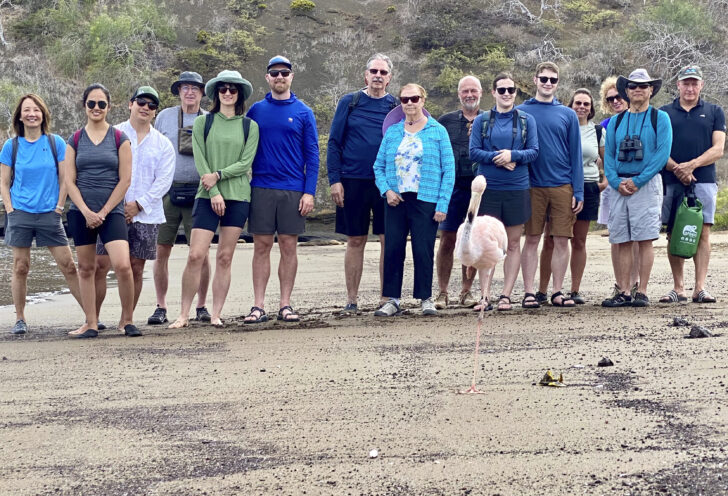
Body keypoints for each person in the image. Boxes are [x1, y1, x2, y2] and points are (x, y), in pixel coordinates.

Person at [168, 70, 259, 328]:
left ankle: (216, 313)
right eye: (223, 89)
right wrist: (214, 190)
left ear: (239, 94)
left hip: (239, 196)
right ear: (216, 93)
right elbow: (200, 159)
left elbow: (245, 163)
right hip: (207, 195)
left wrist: (218, 176)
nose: (228, 93)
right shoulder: (202, 123)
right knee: (196, 255)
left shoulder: (249, 126)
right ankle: (184, 314)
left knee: (225, 257)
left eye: (232, 89)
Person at [244, 55, 319, 324]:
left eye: (284, 73)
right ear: (267, 77)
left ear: (291, 76)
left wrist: (309, 192)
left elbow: (313, 155)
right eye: (274, 73)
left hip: (293, 190)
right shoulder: (255, 111)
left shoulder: (303, 112)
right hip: (261, 188)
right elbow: (244, 151)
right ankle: (258, 306)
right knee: (261, 246)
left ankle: (285, 304)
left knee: (289, 247)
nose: (279, 77)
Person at [0, 93, 82, 335]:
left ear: (43, 114)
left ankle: (90, 316)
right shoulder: (10, 146)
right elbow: (3, 182)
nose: (31, 114)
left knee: (68, 265)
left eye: (36, 109)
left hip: (49, 213)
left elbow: (65, 178)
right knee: (21, 266)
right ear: (20, 116)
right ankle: (20, 318)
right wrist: (10, 209)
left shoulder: (55, 142)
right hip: (20, 213)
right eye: (27, 110)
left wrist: (59, 206)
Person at [93, 87, 175, 324]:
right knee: (101, 264)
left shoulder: (163, 144)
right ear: (130, 104)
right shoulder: (112, 133)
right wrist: (117, 206)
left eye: (151, 105)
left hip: (147, 214)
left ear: (155, 112)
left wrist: (138, 204)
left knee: (136, 267)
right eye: (141, 102)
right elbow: (103, 171)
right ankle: (94, 318)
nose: (145, 108)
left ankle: (125, 319)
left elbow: (164, 181)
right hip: (110, 211)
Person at [373, 83, 455, 317]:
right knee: (393, 249)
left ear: (423, 100)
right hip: (396, 199)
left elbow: (448, 171)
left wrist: (442, 204)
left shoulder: (437, 131)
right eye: (405, 99)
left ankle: (425, 298)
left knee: (423, 249)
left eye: (414, 98)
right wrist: (386, 190)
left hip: (426, 199)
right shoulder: (393, 132)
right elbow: (378, 166)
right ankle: (392, 299)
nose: (409, 103)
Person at [65, 83, 137, 338]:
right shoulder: (74, 139)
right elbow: (69, 181)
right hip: (80, 212)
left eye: (101, 104)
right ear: (85, 106)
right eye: (91, 104)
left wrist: (104, 211)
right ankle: (91, 323)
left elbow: (125, 180)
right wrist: (85, 211)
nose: (96, 108)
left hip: (112, 212)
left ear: (109, 106)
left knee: (122, 266)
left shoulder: (120, 138)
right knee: (86, 268)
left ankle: (127, 320)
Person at [327, 53, 397, 315]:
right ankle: (352, 299)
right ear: (365, 75)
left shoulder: (396, 106)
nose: (378, 76)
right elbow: (334, 142)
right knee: (355, 240)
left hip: (387, 183)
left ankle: (385, 297)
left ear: (389, 78)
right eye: (373, 71)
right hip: (352, 180)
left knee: (387, 239)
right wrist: (335, 180)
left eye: (383, 72)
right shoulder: (350, 102)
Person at [602, 68, 672, 307]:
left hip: (646, 183)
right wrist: (615, 181)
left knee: (644, 239)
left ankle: (641, 290)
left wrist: (638, 180)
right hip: (619, 183)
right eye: (632, 86)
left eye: (643, 86)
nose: (638, 90)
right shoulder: (616, 121)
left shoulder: (659, 118)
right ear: (626, 91)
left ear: (651, 90)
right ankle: (623, 290)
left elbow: (662, 155)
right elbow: (608, 155)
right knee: (620, 238)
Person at [469, 73, 538, 311]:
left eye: (511, 90)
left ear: (516, 93)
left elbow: (534, 151)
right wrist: (498, 158)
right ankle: (484, 296)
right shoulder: (482, 120)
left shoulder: (527, 121)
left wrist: (514, 156)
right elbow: (474, 152)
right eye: (502, 90)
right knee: (487, 244)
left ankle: (506, 295)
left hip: (517, 188)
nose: (507, 94)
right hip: (489, 189)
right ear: (493, 93)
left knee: (513, 243)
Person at [516, 62, 583, 308]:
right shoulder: (521, 111)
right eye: (543, 78)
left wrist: (578, 190)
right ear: (534, 80)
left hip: (562, 185)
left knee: (561, 240)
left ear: (557, 83)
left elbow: (575, 154)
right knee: (532, 239)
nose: (548, 83)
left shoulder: (567, 114)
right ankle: (529, 292)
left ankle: (557, 291)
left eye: (553, 80)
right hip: (530, 185)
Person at [149, 72, 212, 325]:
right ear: (178, 91)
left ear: (201, 93)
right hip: (167, 192)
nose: (190, 92)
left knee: (201, 253)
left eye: (195, 88)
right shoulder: (164, 116)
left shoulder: (209, 120)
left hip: (200, 191)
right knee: (161, 249)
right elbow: (153, 151)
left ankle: (202, 305)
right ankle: (160, 306)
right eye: (185, 88)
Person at [659, 65, 726, 304]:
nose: (690, 87)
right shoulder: (664, 112)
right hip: (670, 179)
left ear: (701, 85)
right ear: (677, 84)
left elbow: (718, 148)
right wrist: (678, 168)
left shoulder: (714, 111)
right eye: (685, 83)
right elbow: (658, 149)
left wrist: (691, 166)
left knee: (703, 232)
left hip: (704, 180)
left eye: (694, 83)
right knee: (673, 232)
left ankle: (700, 288)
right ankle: (679, 288)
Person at [538, 89, 604, 304]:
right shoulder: (562, 126)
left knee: (579, 241)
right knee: (551, 239)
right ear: (570, 104)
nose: (581, 107)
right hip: (561, 185)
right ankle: (542, 290)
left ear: (591, 108)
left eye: (586, 103)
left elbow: (607, 161)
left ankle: (574, 290)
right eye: (577, 103)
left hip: (588, 186)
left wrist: (603, 184)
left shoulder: (597, 132)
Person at [433, 75, 484, 310]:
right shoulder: (444, 121)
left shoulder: (489, 120)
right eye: (465, 91)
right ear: (458, 94)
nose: (469, 95)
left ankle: (466, 291)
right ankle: (442, 292)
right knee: (447, 239)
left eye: (473, 90)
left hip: (479, 190)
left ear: (481, 93)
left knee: (471, 240)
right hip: (451, 188)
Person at [598, 76, 640, 299]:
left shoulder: (640, 121)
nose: (615, 101)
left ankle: (634, 283)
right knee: (617, 236)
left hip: (635, 183)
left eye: (618, 96)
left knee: (636, 236)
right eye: (610, 98)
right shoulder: (605, 126)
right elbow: (602, 159)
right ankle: (619, 283)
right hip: (613, 185)